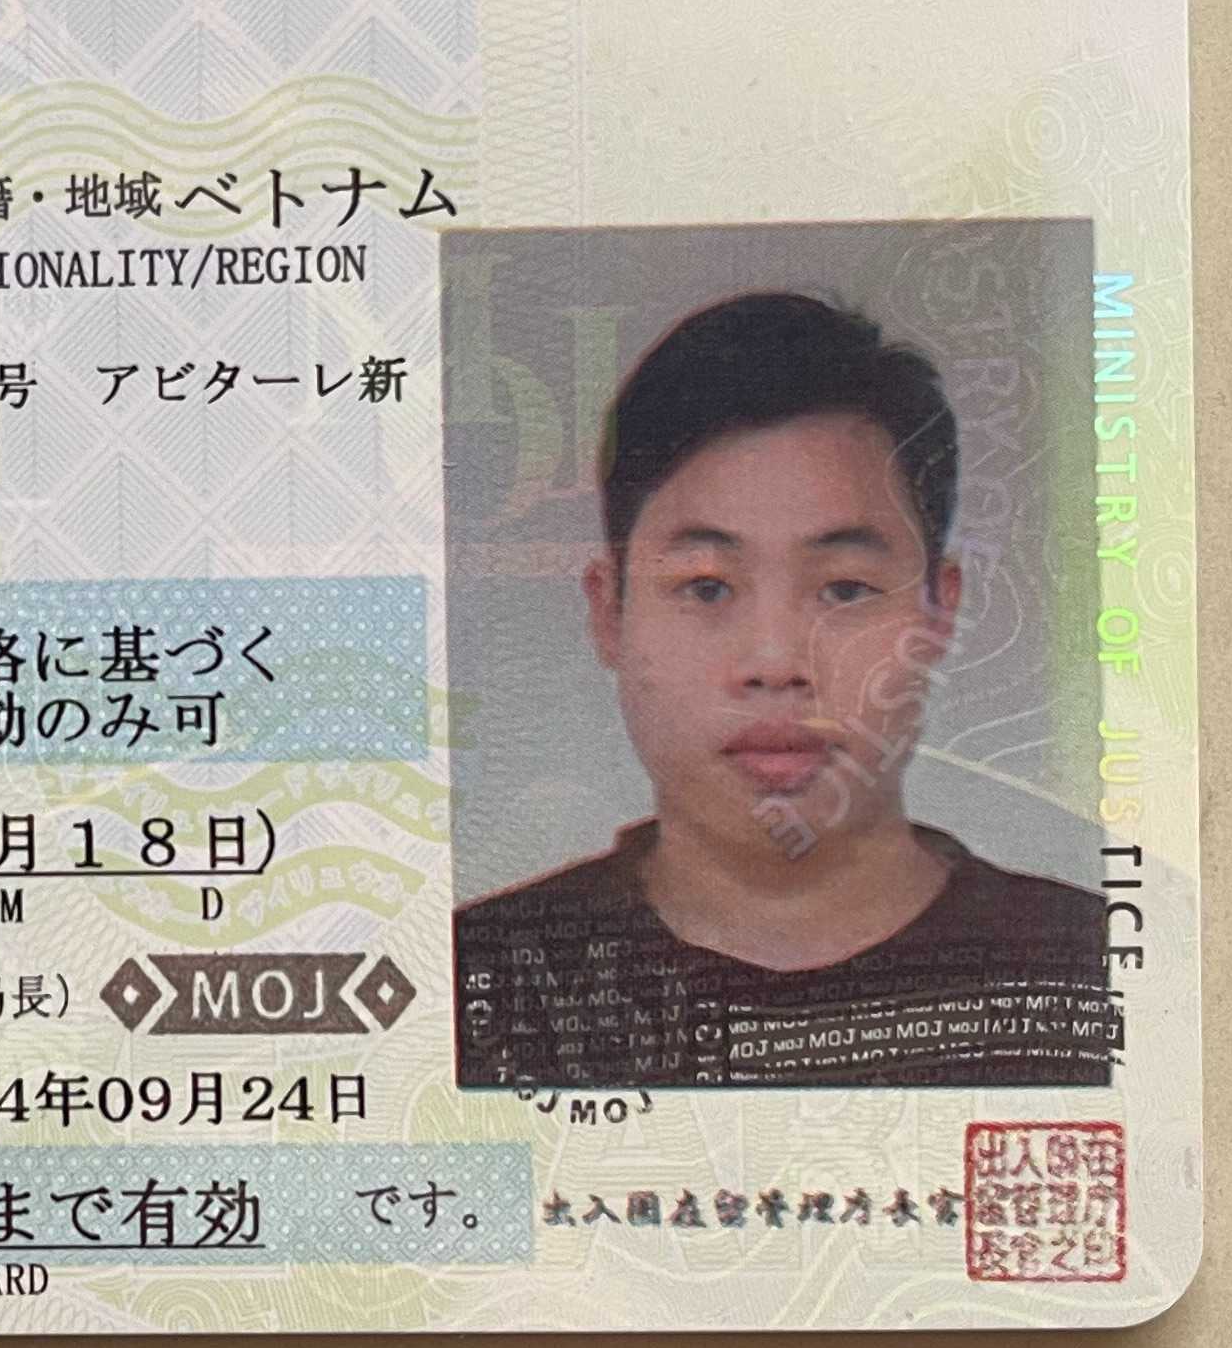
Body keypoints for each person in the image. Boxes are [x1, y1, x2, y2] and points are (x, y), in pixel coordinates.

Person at [452, 289, 1118, 1089]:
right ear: (609, 613)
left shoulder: (1090, 971)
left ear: (940, 612)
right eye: (706, 587)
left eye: (844, 589)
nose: (775, 664)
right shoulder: (474, 984)